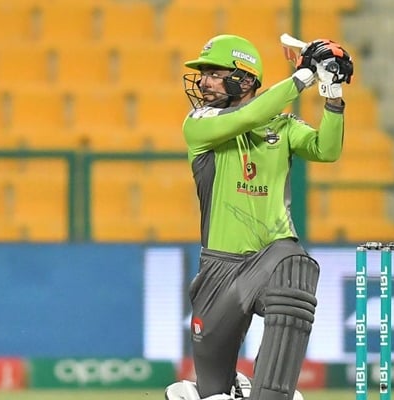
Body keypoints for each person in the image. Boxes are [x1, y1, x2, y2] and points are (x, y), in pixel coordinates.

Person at [165, 34, 354, 400]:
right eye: (203, 74)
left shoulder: (281, 128)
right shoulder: (199, 123)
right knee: (210, 393)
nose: (203, 82)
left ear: (246, 79)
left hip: (273, 253)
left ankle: (272, 395)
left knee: (296, 269)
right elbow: (250, 115)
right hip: (219, 267)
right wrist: (303, 76)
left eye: (214, 73)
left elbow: (327, 150)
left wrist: (331, 94)